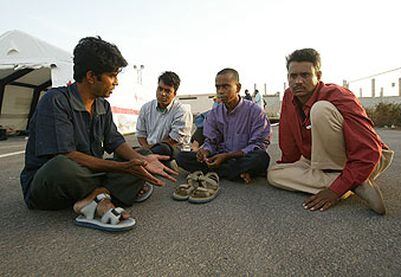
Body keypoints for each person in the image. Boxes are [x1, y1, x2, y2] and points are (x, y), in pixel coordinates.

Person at [20, 36, 177, 232]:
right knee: (61, 166)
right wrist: (123, 169)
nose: (116, 82)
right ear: (91, 76)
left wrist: (140, 161)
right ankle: (107, 193)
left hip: (88, 175)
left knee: (142, 157)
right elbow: (66, 155)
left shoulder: (103, 105)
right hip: (51, 181)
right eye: (112, 75)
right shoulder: (55, 101)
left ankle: (95, 196)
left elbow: (115, 141)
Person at [267, 48, 394, 214]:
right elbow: (288, 142)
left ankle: (346, 180)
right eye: (293, 76)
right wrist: (289, 166)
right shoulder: (289, 97)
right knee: (274, 174)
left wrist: (334, 192)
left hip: (366, 159)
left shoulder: (338, 96)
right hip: (319, 160)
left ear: (318, 76)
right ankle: (356, 184)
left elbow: (369, 150)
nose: (298, 81)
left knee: (320, 110)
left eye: (305, 75)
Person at [176, 68, 271, 184]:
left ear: (238, 88)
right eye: (218, 87)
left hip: (242, 157)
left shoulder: (255, 111)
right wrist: (205, 152)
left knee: (261, 158)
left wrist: (227, 156)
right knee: (181, 157)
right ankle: (237, 173)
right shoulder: (215, 113)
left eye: (225, 87)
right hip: (219, 157)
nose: (220, 91)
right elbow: (211, 141)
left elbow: (259, 145)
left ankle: (218, 172)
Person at [135, 71, 193, 162]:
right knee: (123, 150)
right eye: (160, 89)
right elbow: (140, 134)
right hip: (149, 148)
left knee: (163, 149)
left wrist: (147, 150)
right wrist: (146, 148)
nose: (162, 94)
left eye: (168, 91)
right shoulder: (146, 108)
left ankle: (141, 159)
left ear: (174, 94)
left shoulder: (182, 110)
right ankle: (143, 158)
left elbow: (173, 140)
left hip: (173, 150)